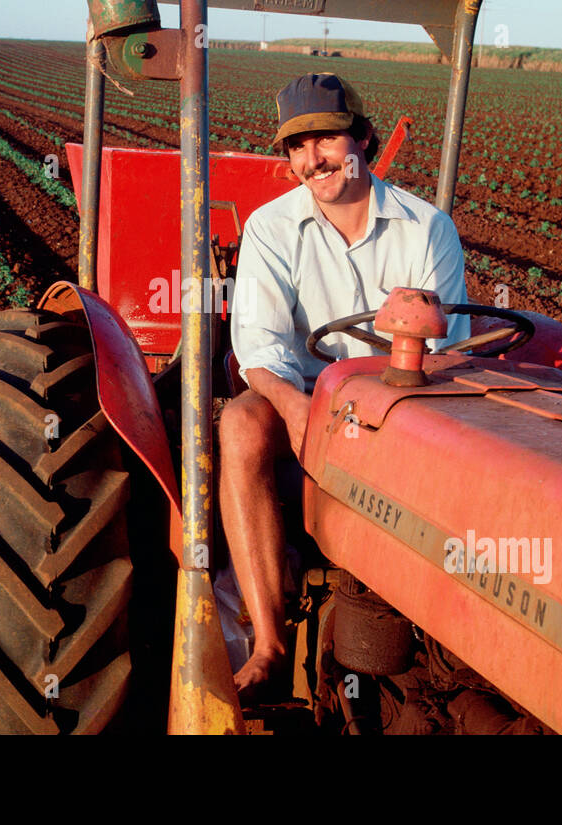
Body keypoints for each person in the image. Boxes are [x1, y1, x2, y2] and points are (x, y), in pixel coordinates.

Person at [220, 72, 471, 701]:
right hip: (301, 393)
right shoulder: (271, 228)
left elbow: (439, 347)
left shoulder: (426, 227)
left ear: (362, 138)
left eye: (326, 139)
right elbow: (260, 344)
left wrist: (373, 411)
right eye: (296, 147)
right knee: (241, 423)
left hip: (400, 396)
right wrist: (298, 407)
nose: (312, 159)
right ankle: (270, 644)